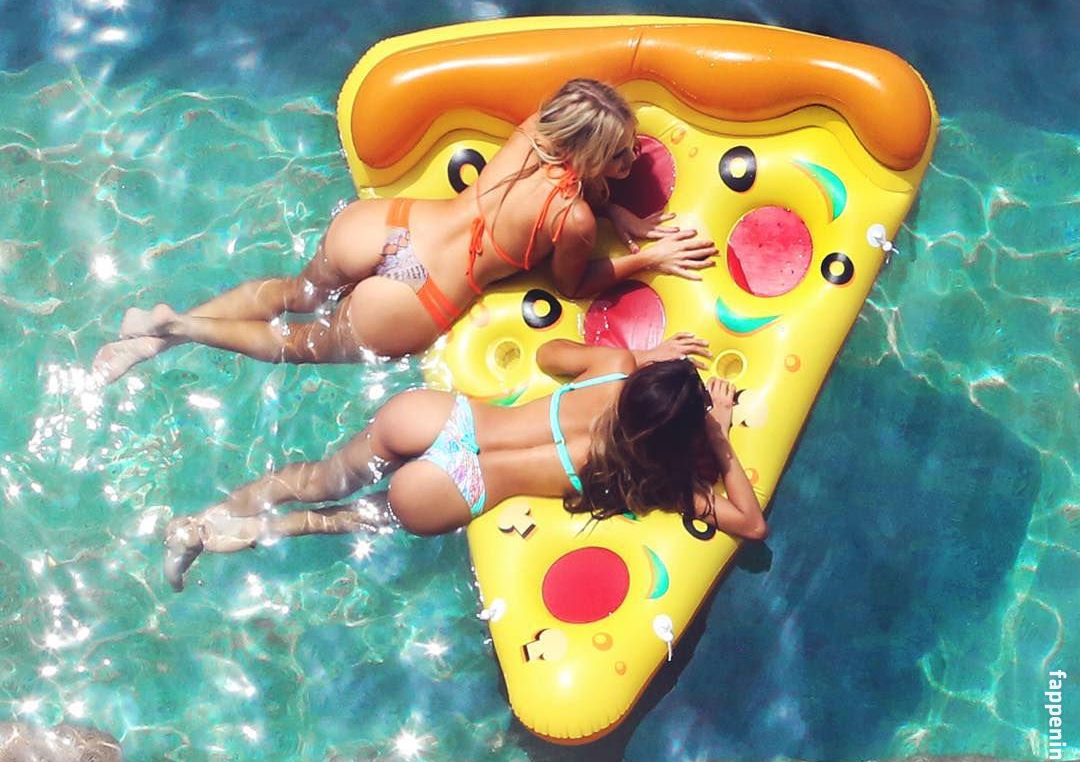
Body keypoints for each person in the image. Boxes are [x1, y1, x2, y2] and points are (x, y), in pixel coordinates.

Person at [93, 79, 717, 382]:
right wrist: (650, 255)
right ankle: (177, 329)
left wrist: (614, 208)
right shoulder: (572, 218)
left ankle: (154, 332)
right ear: (589, 157)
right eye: (619, 155)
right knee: (299, 345)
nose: (630, 162)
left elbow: (569, 177)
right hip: (423, 294)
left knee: (293, 293)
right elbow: (573, 285)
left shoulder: (533, 129)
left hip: (385, 227)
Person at [163, 333, 768, 591]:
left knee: (316, 479)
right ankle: (230, 538)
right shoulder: (648, 478)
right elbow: (750, 524)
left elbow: (551, 354)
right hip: (454, 486)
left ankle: (202, 521)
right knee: (334, 519)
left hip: (438, 419)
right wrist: (718, 435)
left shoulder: (611, 368)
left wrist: (640, 356)